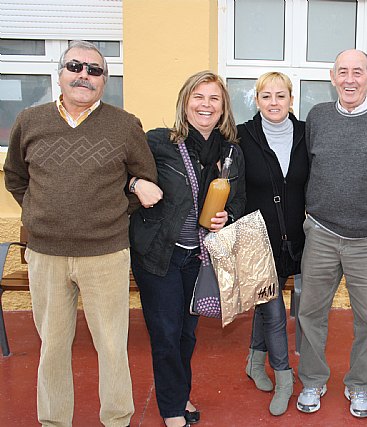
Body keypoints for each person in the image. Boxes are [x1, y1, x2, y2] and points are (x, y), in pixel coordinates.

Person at [4, 40, 159, 427]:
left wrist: (110, 213)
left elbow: (145, 181)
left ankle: (118, 420)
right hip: (46, 254)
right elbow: (16, 178)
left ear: (105, 81)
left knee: (111, 346)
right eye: (75, 66)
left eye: (95, 70)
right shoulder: (30, 120)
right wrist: (42, 214)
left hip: (106, 253)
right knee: (52, 347)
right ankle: (53, 421)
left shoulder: (125, 125)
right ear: (60, 74)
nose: (84, 76)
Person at [295, 49, 367, 418]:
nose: (349, 79)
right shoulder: (318, 117)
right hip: (322, 234)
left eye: (357, 72)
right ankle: (313, 379)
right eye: (342, 72)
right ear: (332, 76)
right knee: (311, 312)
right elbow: (309, 166)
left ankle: (359, 386)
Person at [128, 71, 245, 427]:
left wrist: (229, 216)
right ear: (185, 102)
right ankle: (171, 409)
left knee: (186, 333)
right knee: (165, 331)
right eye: (198, 97)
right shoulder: (158, 142)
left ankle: (178, 395)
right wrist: (135, 183)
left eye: (214, 98)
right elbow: (118, 173)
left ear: (223, 107)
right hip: (159, 254)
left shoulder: (231, 152)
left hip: (200, 257)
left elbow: (239, 200)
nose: (205, 105)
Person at [237, 71, 308, 416]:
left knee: (266, 304)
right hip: (254, 238)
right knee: (274, 310)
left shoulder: (307, 134)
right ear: (257, 100)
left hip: (293, 238)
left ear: (291, 100)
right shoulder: (240, 136)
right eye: (266, 96)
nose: (274, 102)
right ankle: (283, 377)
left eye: (281, 95)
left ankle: (254, 360)